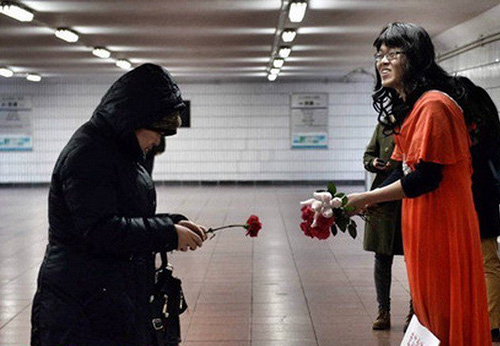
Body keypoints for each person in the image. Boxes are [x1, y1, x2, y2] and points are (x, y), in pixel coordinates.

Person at [30, 63, 207, 346]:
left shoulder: (117, 154)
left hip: (105, 297)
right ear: (134, 121)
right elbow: (101, 229)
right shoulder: (88, 155)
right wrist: (167, 233)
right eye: (157, 132)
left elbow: (124, 213)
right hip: (80, 307)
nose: (157, 141)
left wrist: (171, 223)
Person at [346, 22, 491, 345]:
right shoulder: (413, 109)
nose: (382, 62)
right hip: (422, 225)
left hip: (442, 225)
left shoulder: (434, 105)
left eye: (392, 54)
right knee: (428, 308)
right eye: (378, 55)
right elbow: (400, 170)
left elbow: (425, 177)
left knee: (442, 308)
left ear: (414, 57)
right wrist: (362, 200)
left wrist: (366, 198)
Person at [362, 123, 406, 330]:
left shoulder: (413, 121)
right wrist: (373, 163)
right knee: (381, 257)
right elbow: (368, 155)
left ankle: (415, 312)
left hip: (408, 199)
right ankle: (383, 311)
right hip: (382, 199)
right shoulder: (384, 125)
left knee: (414, 259)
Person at [466, 80, 500, 342]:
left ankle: (486, 321)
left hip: (472, 202)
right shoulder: (490, 131)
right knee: (487, 263)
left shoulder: (473, 135)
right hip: (485, 201)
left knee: (483, 263)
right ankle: (491, 321)